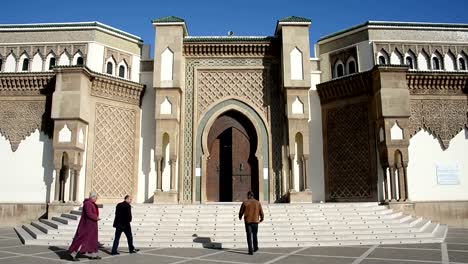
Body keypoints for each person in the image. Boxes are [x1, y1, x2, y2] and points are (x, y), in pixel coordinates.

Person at [69, 191, 101, 261]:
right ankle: (73, 254)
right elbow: (89, 213)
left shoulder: (90, 203)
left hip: (91, 225)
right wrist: (96, 217)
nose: (96, 199)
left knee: (93, 240)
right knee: (82, 240)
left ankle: (94, 254)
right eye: (96, 197)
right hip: (87, 226)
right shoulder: (88, 204)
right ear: (92, 197)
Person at [238, 191, 264, 255]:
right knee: (255, 235)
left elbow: (241, 211)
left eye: (247, 195)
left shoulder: (245, 202)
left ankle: (250, 251)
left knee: (249, 236)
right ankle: (255, 247)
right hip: (255, 221)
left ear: (249, 195)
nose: (247, 196)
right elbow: (261, 212)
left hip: (248, 222)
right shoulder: (257, 202)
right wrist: (261, 218)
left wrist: (240, 216)